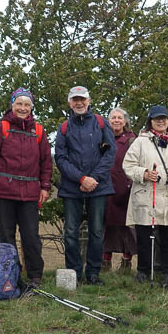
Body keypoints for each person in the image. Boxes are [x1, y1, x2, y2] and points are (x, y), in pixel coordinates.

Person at [0, 88, 52, 287]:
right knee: (6, 236)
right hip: (4, 191)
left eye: (27, 104)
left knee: (31, 236)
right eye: (19, 104)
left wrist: (45, 187)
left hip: (30, 193)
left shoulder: (38, 131)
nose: (23, 108)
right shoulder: (0, 128)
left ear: (31, 107)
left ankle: (35, 275)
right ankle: (9, 274)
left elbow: (46, 162)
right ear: (12, 105)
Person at [123, 106, 168, 288]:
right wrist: (144, 173)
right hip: (146, 195)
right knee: (144, 236)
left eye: (163, 119)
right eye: (157, 119)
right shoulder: (140, 142)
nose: (161, 121)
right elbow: (128, 165)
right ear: (150, 121)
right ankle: (143, 271)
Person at [54, 86, 116, 285]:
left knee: (97, 231)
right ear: (70, 103)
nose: (79, 103)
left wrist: (93, 179)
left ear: (89, 100)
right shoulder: (64, 128)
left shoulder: (101, 123)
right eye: (75, 100)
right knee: (71, 231)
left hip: (99, 186)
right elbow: (61, 159)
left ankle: (93, 273)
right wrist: (81, 179)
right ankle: (74, 273)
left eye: (82, 99)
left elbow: (110, 153)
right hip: (72, 187)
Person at [102, 107, 138, 272]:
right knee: (105, 225)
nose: (116, 120)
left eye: (119, 118)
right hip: (105, 188)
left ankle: (126, 262)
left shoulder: (132, 140)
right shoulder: (102, 137)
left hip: (126, 189)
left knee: (127, 227)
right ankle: (105, 262)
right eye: (113, 118)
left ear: (125, 121)